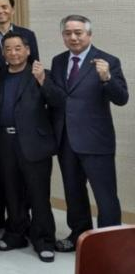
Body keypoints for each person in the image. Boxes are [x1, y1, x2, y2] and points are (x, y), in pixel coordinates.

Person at [45, 15, 128, 252]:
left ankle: (109, 244)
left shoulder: (108, 61)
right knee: (74, 193)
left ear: (89, 35)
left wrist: (107, 78)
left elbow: (122, 98)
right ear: (63, 36)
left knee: (105, 196)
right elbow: (60, 98)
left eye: (78, 33)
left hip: (96, 140)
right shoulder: (59, 61)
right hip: (66, 139)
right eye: (68, 33)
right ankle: (78, 235)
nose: (73, 37)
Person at [0, 32, 58, 262]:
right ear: (3, 53)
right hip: (4, 142)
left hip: (33, 142)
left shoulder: (41, 73)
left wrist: (43, 80)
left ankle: (44, 239)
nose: (13, 53)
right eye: (8, 49)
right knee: (12, 192)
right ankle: (16, 233)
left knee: (39, 194)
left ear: (28, 50)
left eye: (18, 48)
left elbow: (58, 102)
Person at [0, 0, 38, 231]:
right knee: (0, 172)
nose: (0, 11)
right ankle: (0, 221)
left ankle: (23, 221)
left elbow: (34, 68)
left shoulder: (27, 34)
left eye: (4, 7)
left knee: (24, 176)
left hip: (22, 107)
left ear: (12, 10)